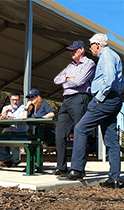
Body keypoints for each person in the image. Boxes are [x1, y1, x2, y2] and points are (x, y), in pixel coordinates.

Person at [58, 34, 124, 189]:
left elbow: (109, 78)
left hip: (105, 99)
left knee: (80, 129)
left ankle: (77, 169)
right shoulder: (114, 56)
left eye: (90, 45)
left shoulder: (106, 55)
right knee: (111, 139)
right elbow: (119, 81)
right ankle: (114, 178)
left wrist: (99, 98)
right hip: (114, 98)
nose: (90, 48)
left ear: (97, 44)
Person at [53, 40, 96, 176]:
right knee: (60, 134)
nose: (72, 52)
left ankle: (78, 168)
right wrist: (68, 79)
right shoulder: (70, 65)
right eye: (71, 50)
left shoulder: (89, 63)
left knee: (80, 132)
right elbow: (56, 79)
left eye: (74, 50)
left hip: (80, 98)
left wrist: (66, 80)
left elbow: (79, 82)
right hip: (66, 100)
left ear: (82, 50)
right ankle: (61, 167)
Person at [0, 93, 28, 168]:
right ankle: (7, 160)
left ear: (19, 100)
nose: (15, 102)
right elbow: (0, 120)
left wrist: (8, 117)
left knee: (13, 143)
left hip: (21, 133)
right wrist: (4, 114)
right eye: (13, 100)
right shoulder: (6, 108)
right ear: (10, 100)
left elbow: (20, 120)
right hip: (8, 132)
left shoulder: (23, 108)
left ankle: (16, 161)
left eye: (17, 100)